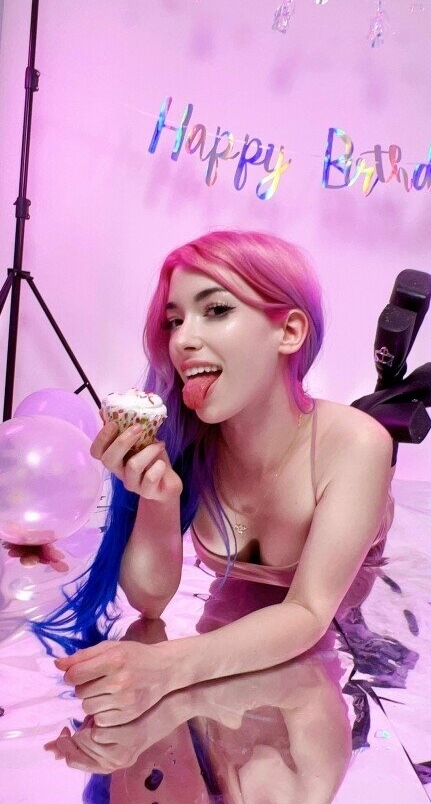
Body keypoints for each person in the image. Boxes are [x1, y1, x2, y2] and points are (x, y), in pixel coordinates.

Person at [23, 229, 394, 727]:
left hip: (336, 624)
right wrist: (158, 500)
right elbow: (150, 603)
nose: (182, 340)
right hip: (240, 637)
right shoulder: (185, 440)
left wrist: (164, 667)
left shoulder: (358, 444)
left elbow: (310, 611)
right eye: (174, 321)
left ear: (289, 331)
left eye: (216, 310)